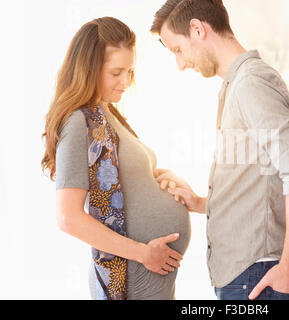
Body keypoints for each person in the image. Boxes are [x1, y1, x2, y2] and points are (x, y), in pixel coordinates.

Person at [150, 0, 289, 300]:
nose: (180, 64)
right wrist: (201, 202)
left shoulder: (250, 84)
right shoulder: (237, 85)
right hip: (248, 276)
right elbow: (262, 188)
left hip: (257, 277)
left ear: (197, 29)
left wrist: (288, 268)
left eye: (177, 50)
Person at [41, 17, 190, 300]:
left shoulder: (108, 114)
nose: (126, 81)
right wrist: (144, 253)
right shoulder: (78, 122)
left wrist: (158, 177)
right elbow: (68, 217)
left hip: (147, 282)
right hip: (131, 279)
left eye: (130, 71)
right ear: (89, 69)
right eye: (116, 72)